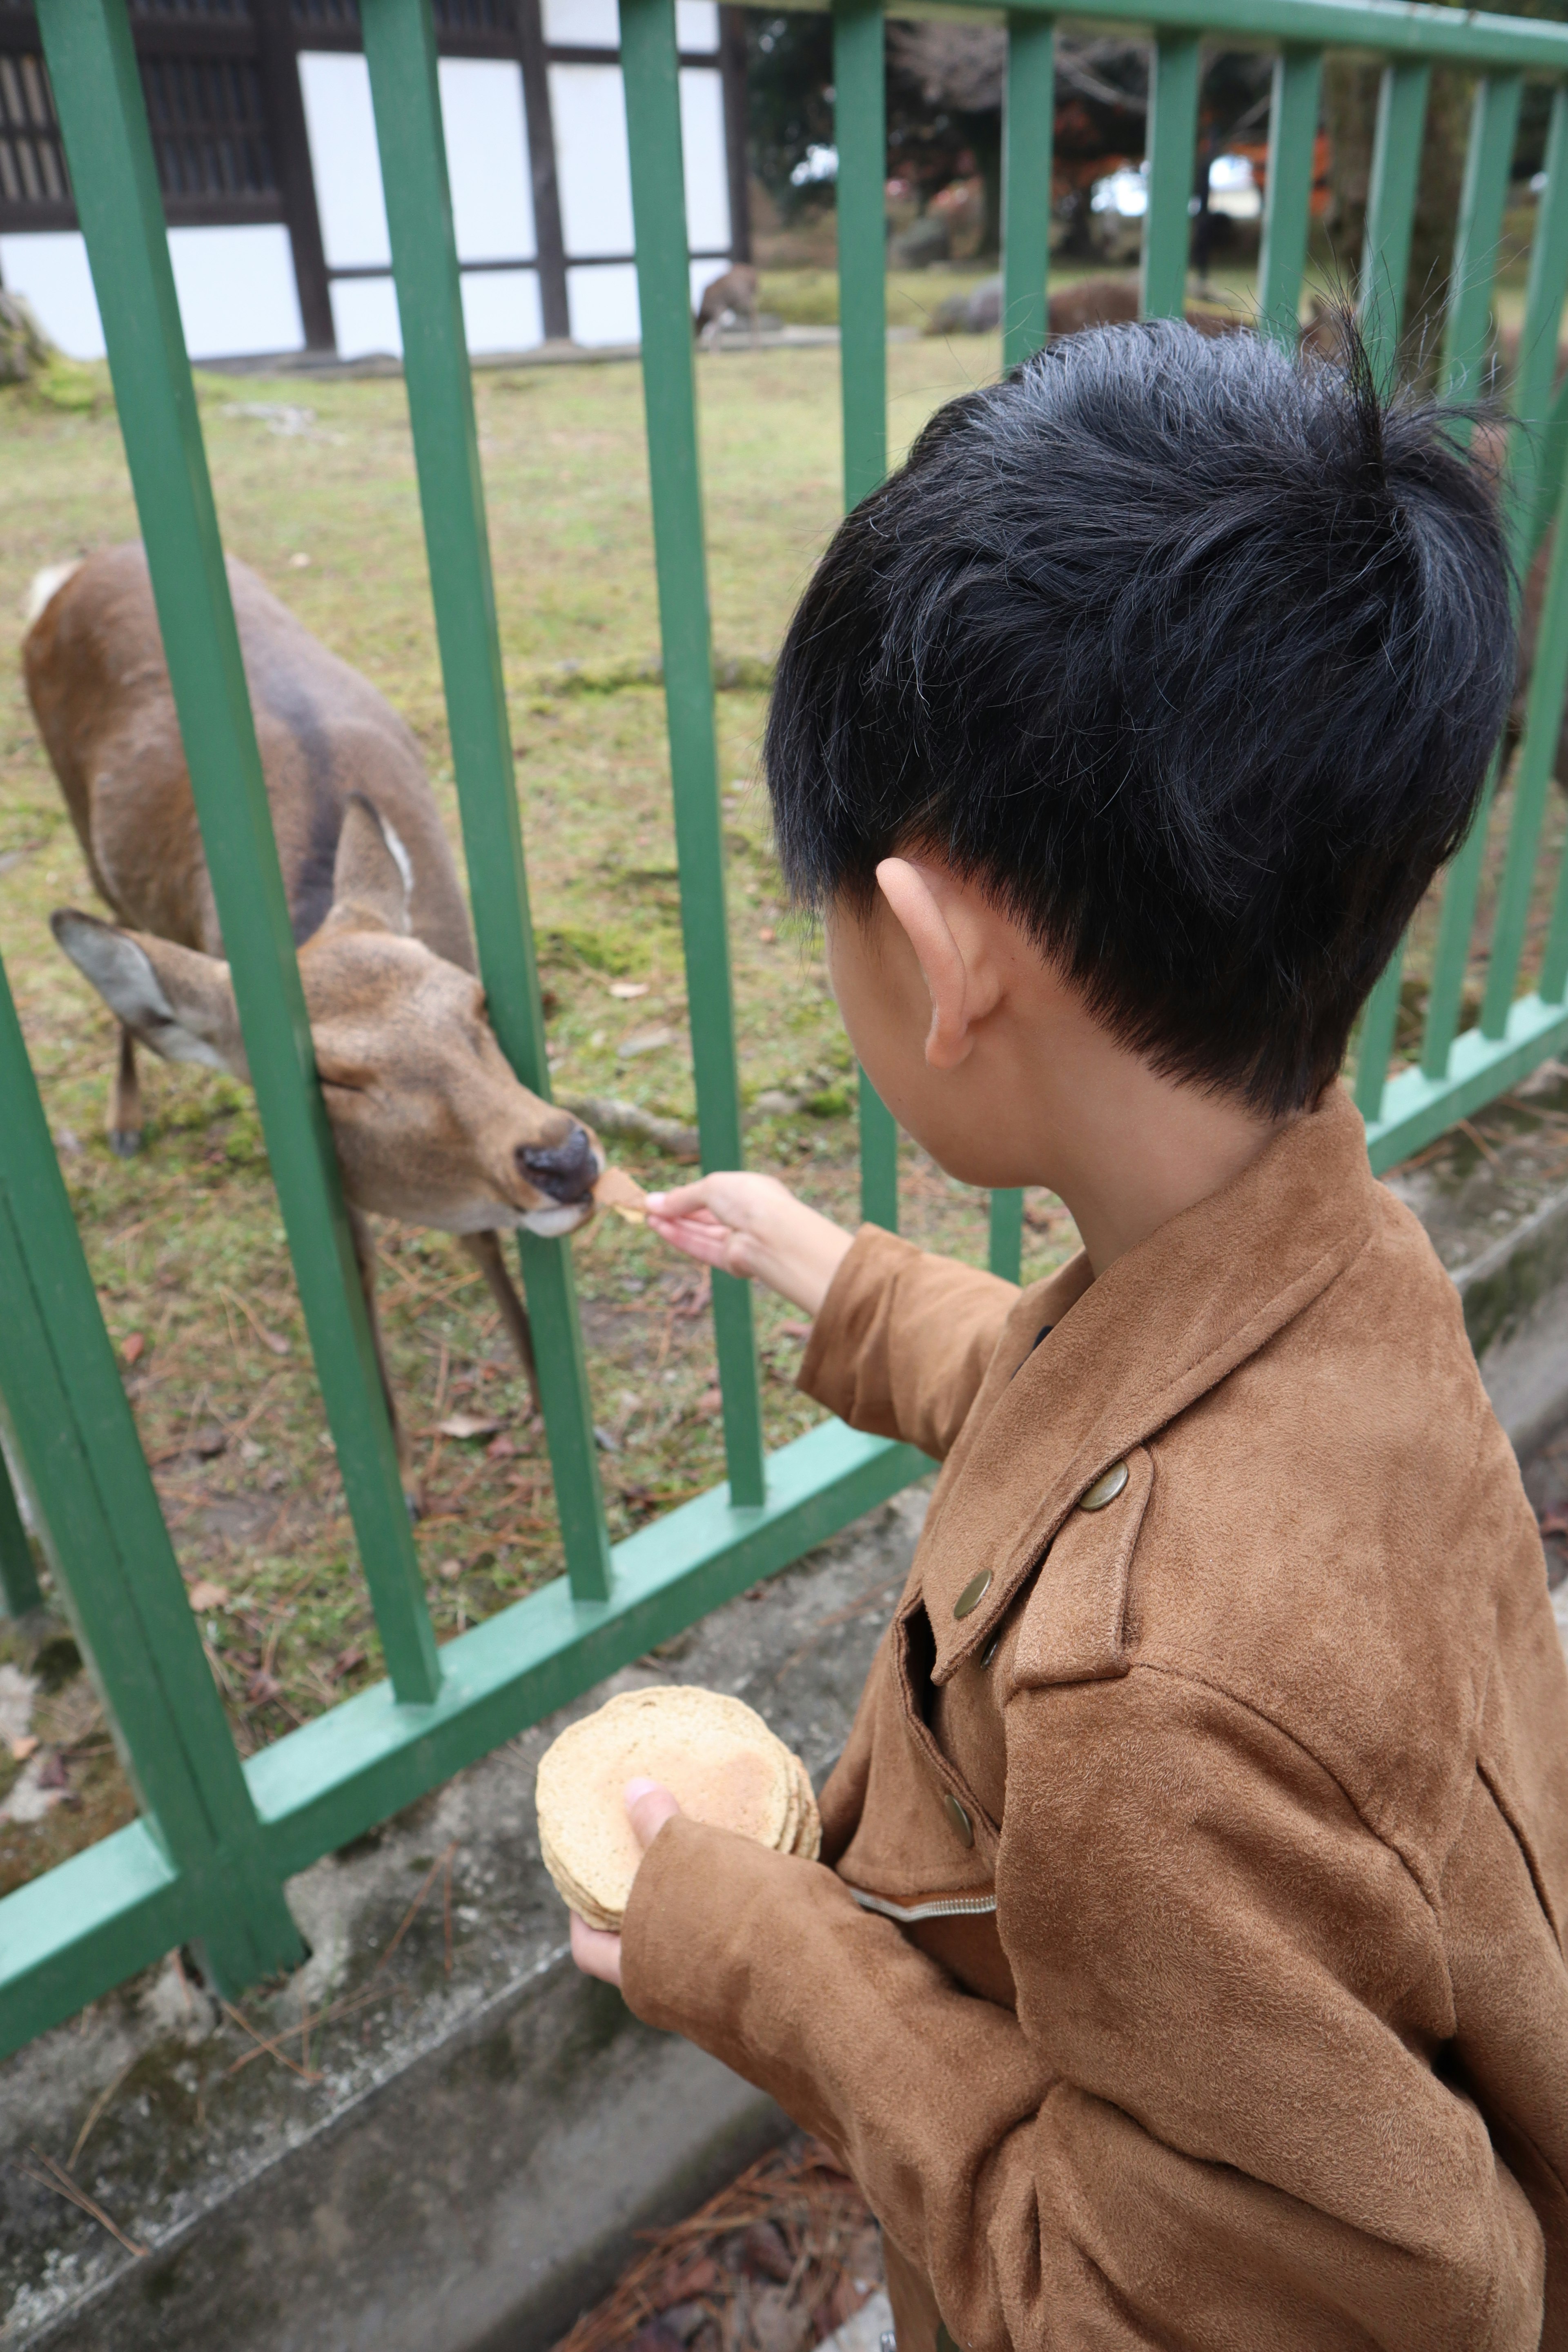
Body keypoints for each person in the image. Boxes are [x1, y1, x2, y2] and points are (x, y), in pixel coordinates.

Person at [571, 320, 1568, 2348]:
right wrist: (834, 1277)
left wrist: (766, 1957)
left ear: (940, 961)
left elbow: (1149, 2308)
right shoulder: (1334, 1260)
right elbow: (1090, 1409)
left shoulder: (1146, 1721)